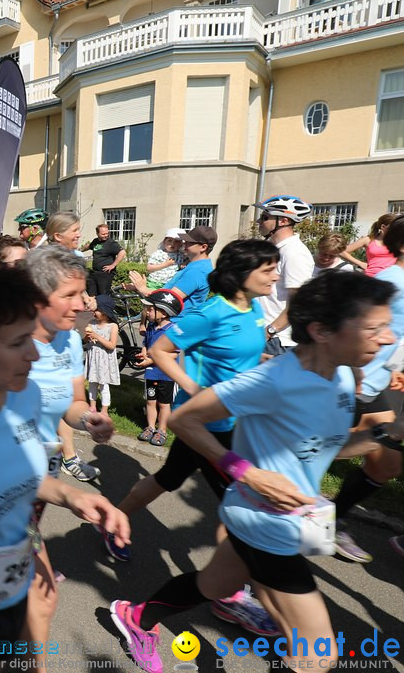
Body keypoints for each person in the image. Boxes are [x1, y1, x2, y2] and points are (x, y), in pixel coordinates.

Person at [106, 272, 398, 673]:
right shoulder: (274, 380)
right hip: (266, 523)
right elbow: (185, 420)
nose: (388, 339)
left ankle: (134, 618)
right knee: (317, 656)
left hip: (290, 520)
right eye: (374, 328)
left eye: (387, 327)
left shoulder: (344, 375)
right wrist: (246, 473)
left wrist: (383, 435)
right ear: (322, 331)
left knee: (215, 586)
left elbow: (325, 448)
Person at [0, 267, 128, 666]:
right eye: (17, 343)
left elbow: (18, 476)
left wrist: (71, 495)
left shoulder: (24, 394)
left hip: (12, 588)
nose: (33, 354)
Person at [106, 239, 280, 617]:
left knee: (168, 478)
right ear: (242, 274)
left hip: (236, 421)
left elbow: (244, 354)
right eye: (268, 269)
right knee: (241, 502)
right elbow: (160, 351)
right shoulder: (211, 312)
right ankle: (229, 591)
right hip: (209, 425)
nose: (276, 275)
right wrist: (195, 389)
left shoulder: (251, 307)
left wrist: (273, 365)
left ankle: (114, 521)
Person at [22, 246, 118, 661]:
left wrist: (90, 420)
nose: (84, 303)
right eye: (73, 295)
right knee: (40, 595)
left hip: (46, 467)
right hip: (2, 480)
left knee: (6, 589)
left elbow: (72, 403)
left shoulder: (69, 341)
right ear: (38, 297)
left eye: (84, 294)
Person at [330, 215, 404, 563]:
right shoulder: (391, 279)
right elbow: (349, 322)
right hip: (354, 379)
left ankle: (330, 517)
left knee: (386, 464)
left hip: (377, 383)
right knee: (319, 450)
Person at [257, 195, 315, 351]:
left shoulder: (295, 253)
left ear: (283, 221)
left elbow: (298, 302)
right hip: (263, 333)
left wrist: (270, 331)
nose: (259, 222)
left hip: (277, 340)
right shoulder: (274, 248)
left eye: (265, 217)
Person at [134, 289, 183, 446]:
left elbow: (175, 354)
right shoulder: (150, 327)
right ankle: (150, 427)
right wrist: (144, 355)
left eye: (150, 309)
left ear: (163, 312)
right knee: (150, 401)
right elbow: (145, 345)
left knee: (164, 404)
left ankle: (161, 430)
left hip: (166, 374)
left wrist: (151, 360)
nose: (147, 312)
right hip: (151, 373)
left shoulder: (172, 330)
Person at [129, 226, 216, 311]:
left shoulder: (197, 271)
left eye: (189, 242)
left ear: (203, 247)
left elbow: (168, 300)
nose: (184, 244)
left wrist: (144, 289)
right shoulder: (194, 265)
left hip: (177, 323)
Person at [84, 298, 120, 418]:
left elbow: (112, 345)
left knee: (104, 385)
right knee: (92, 383)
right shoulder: (91, 323)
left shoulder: (112, 326)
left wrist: (97, 336)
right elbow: (84, 341)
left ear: (104, 312)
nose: (93, 312)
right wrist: (87, 338)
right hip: (93, 358)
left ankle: (104, 410)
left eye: (96, 310)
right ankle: (92, 406)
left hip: (104, 360)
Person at [83, 224, 126, 298]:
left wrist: (113, 265)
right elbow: (89, 246)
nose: (106, 235)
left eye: (107, 233)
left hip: (105, 274)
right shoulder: (95, 241)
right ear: (97, 233)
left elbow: (122, 252)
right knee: (92, 294)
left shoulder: (111, 243)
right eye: (103, 234)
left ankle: (103, 309)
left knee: (103, 296)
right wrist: (79, 250)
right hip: (95, 272)